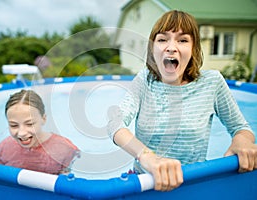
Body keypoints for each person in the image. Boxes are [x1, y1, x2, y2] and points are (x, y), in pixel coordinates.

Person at [108, 10, 257, 191]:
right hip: (145, 184)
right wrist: (148, 156)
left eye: (182, 40)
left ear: (193, 49)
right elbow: (115, 123)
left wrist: (241, 141)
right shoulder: (144, 80)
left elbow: (241, 128)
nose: (171, 47)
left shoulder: (212, 83)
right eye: (162, 39)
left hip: (194, 185)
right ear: (152, 48)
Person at [0, 89, 79, 175]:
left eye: (29, 124)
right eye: (14, 125)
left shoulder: (65, 149)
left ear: (43, 119)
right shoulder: (2, 150)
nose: (21, 133)